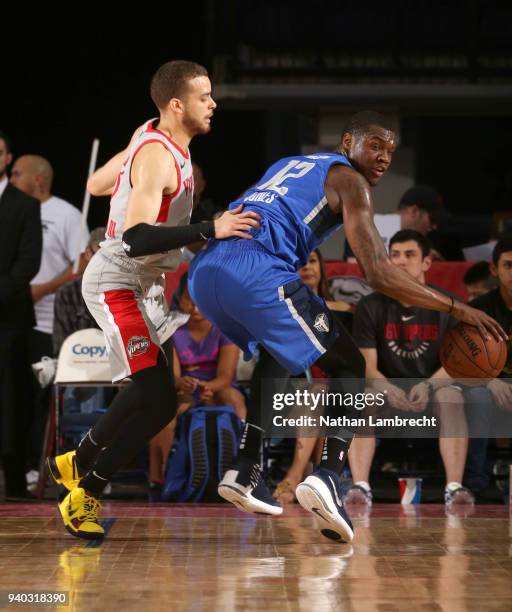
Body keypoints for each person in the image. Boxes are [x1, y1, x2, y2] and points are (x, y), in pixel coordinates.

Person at [187, 110, 504, 543]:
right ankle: (331, 475)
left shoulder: (287, 166)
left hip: (205, 274)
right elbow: (378, 272)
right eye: (375, 145)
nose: (384, 157)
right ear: (348, 141)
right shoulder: (348, 180)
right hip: (254, 273)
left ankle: (245, 468)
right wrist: (459, 308)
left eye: (391, 150)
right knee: (350, 364)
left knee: (278, 350)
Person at [47, 60, 260, 540]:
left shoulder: (150, 135)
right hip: (120, 280)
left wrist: (129, 164)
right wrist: (212, 227)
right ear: (177, 104)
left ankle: (76, 465)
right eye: (204, 96)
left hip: (146, 285)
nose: (214, 103)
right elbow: (138, 237)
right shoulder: (158, 155)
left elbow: (95, 186)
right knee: (154, 394)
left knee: (163, 401)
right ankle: (83, 487)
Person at [347, 230, 473, 507]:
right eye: (395, 255)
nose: (401, 262)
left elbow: (456, 364)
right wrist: (387, 388)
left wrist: (428, 386)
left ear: (427, 262)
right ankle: (360, 486)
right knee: (363, 398)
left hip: (434, 387)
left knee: (452, 397)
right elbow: (367, 366)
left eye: (410, 255)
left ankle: (454, 488)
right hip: (386, 388)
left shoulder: (449, 305)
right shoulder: (370, 305)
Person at [10, 154, 89, 475]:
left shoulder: (66, 215)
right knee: (15, 395)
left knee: (43, 399)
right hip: (13, 318)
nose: (11, 179)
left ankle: (37, 466)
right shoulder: (10, 212)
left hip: (47, 322)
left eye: (17, 174)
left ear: (38, 179)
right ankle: (14, 465)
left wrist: (42, 289)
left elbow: (81, 266)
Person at [148, 273, 246, 487]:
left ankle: (244, 469)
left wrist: (207, 387)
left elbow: (225, 376)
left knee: (233, 398)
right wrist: (183, 383)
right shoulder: (171, 329)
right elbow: (172, 376)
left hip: (218, 387)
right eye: (188, 301)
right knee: (164, 414)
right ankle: (158, 477)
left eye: (200, 301)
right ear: (180, 298)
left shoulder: (226, 328)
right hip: (184, 389)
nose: (195, 308)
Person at [273, 249, 350, 505]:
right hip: (291, 391)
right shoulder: (281, 313)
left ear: (322, 269)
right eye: (301, 262)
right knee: (318, 394)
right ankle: (303, 476)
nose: (307, 267)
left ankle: (308, 479)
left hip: (335, 391)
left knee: (332, 394)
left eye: (313, 261)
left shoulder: (344, 311)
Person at [0, 131, 42, 500]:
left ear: (7, 159)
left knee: (11, 400)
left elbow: (27, 264)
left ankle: (14, 482)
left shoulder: (25, 206)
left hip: (9, 319)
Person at [463, 236, 512, 493]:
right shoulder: (478, 310)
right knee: (477, 397)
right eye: (509, 265)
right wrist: (491, 382)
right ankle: (475, 486)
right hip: (488, 386)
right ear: (494, 269)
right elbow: (461, 361)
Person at [52, 227, 105, 355]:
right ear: (88, 253)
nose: (106, 265)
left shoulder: (128, 291)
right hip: (79, 366)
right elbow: (62, 348)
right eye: (101, 256)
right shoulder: (67, 294)